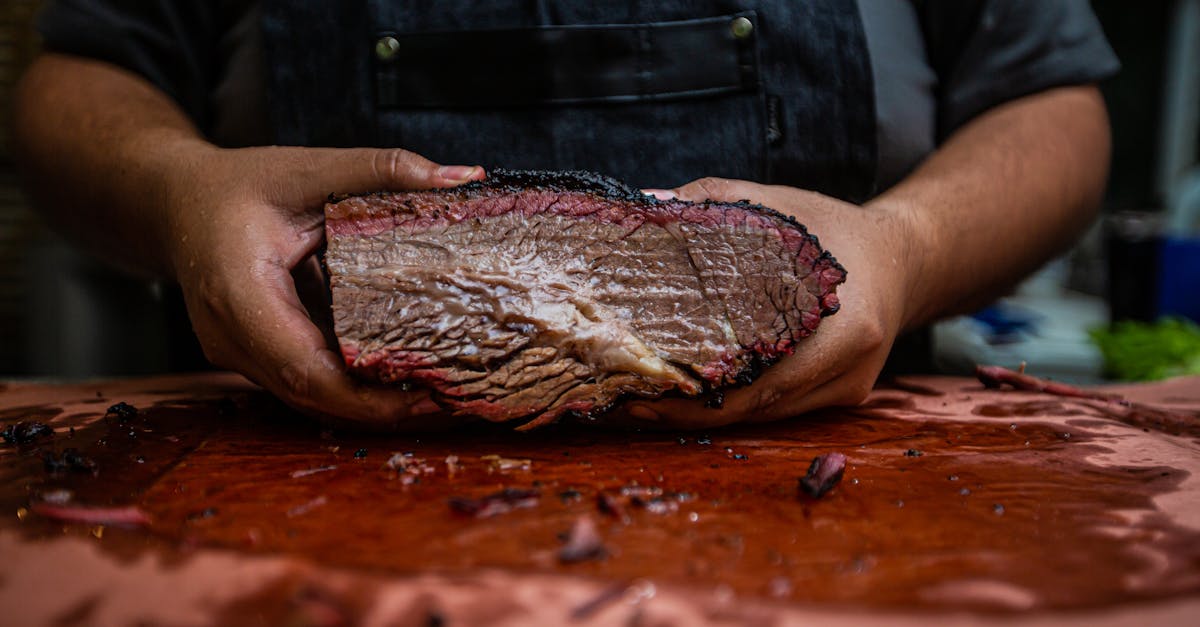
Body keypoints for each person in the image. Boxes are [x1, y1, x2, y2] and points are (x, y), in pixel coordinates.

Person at [13, 1, 1119, 428]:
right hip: (280, 496)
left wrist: (909, 248)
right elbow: (79, 80)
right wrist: (173, 193)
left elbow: (1053, 105)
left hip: (840, 504)